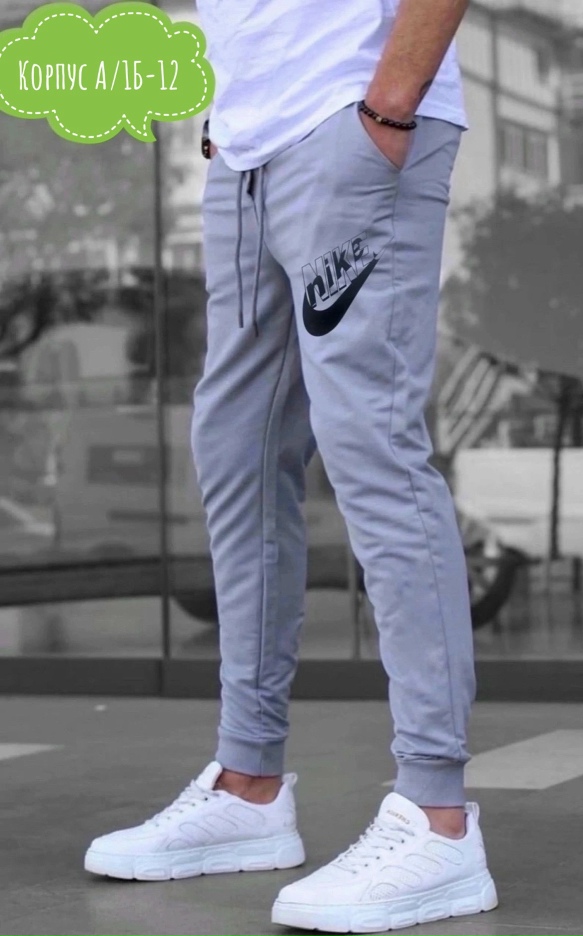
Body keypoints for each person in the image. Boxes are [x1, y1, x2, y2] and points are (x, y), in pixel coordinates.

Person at [84, 0, 498, 930]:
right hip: (247, 146)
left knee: (371, 447)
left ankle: (438, 816)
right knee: (235, 448)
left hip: (355, 118)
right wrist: (231, 115)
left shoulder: (375, 113)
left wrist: (388, 107)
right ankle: (249, 785)